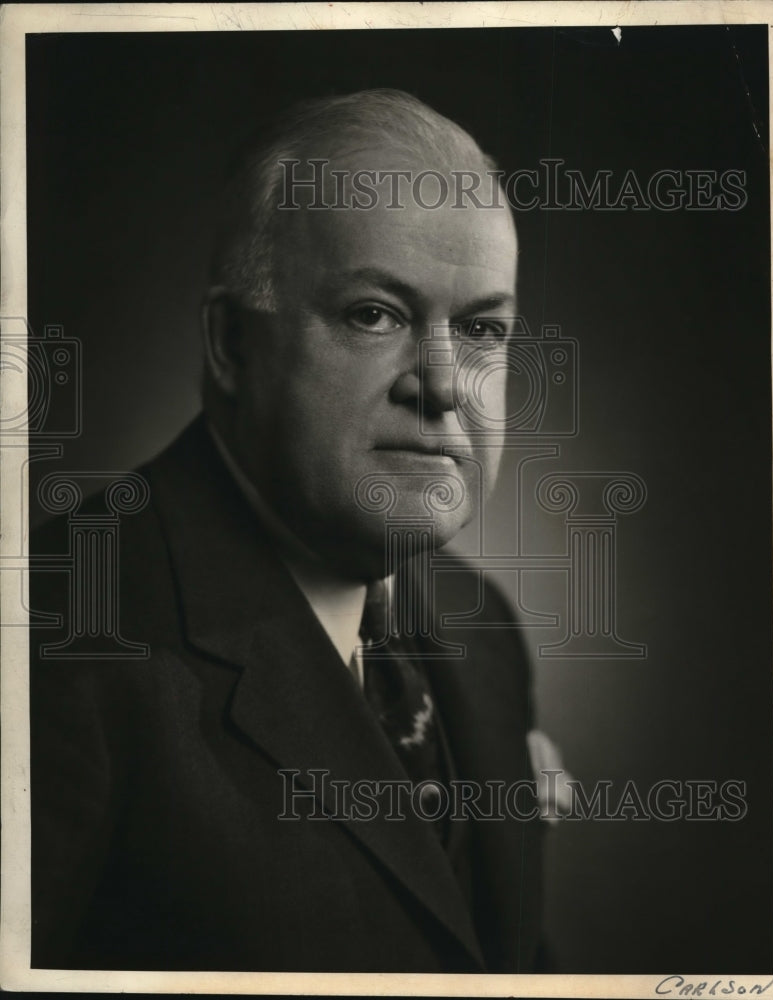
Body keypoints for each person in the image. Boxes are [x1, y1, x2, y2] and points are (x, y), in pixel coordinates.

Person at [30, 89, 546, 973]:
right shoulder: (51, 636)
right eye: (374, 315)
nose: (443, 384)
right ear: (232, 342)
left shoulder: (482, 626)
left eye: (481, 328)